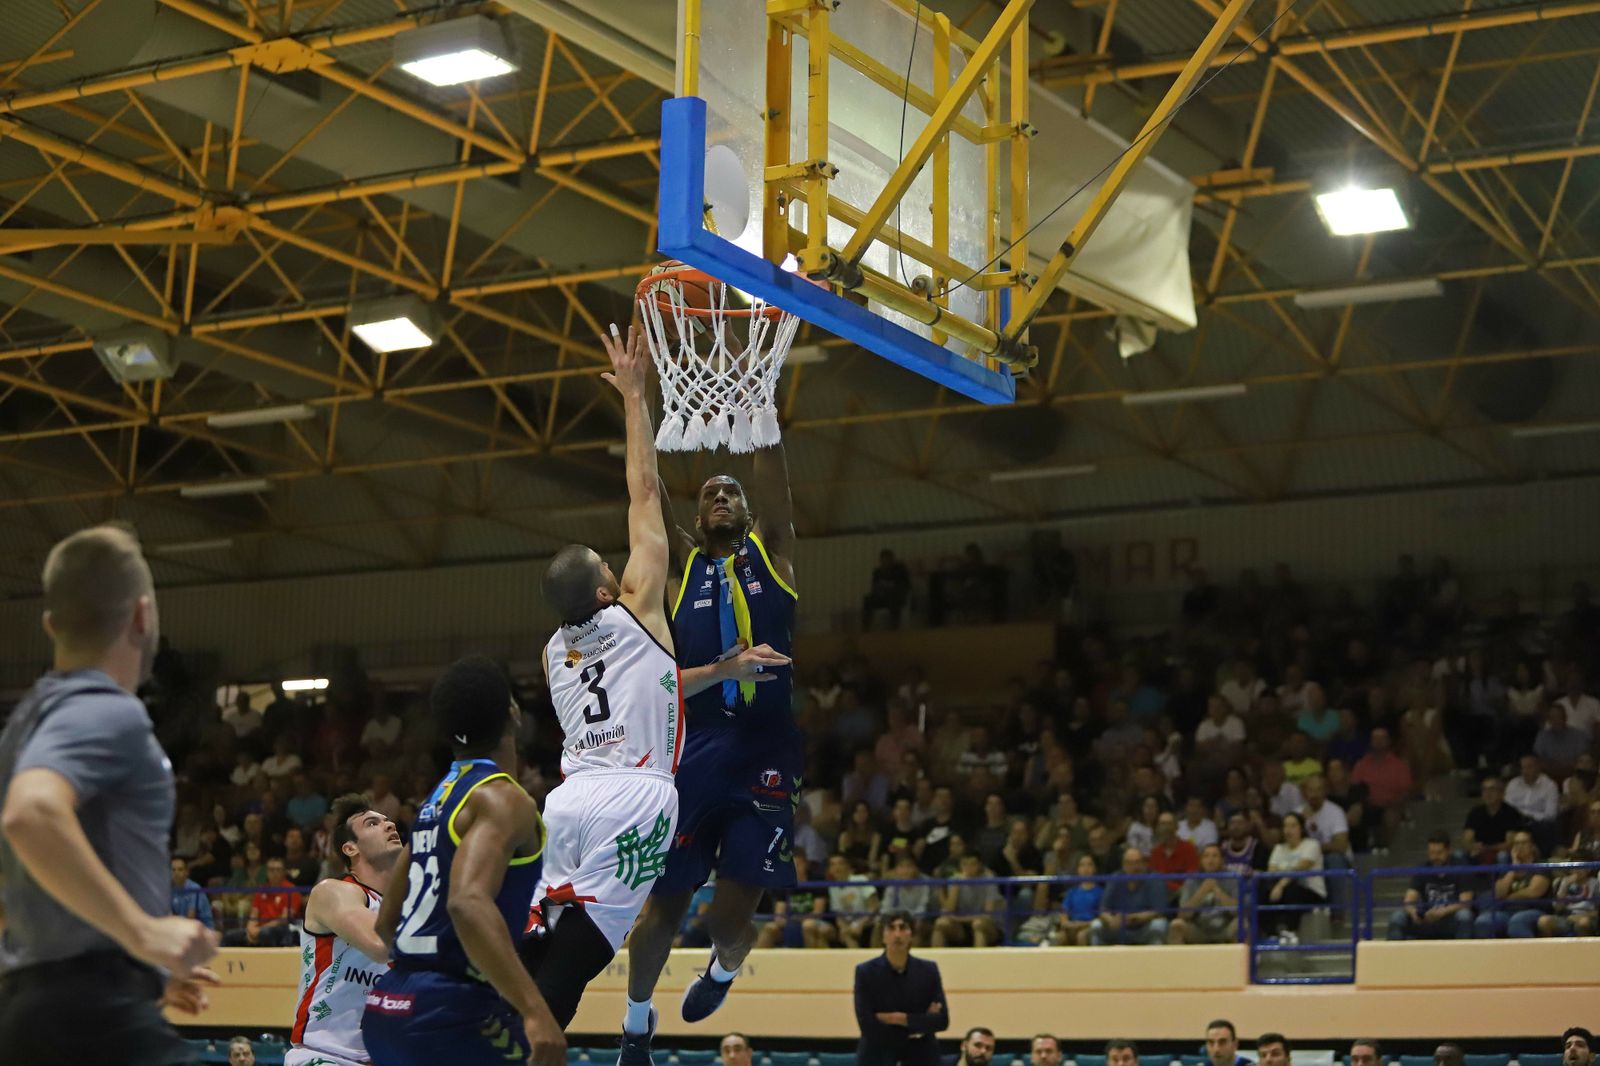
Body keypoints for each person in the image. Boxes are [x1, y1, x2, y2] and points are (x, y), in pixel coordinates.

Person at [522, 325, 706, 1030]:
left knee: (536, 951)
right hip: (636, 796)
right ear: (606, 591)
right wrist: (635, 396)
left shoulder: (550, 654)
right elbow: (643, 493)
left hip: (567, 804)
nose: (616, 565)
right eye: (608, 564)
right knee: (569, 976)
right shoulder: (638, 610)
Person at [622, 397, 801, 1058]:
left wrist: (762, 402)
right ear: (697, 516)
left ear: (748, 512)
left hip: (766, 751)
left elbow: (776, 481)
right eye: (710, 492)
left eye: (732, 490)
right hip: (695, 751)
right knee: (663, 908)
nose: (722, 495)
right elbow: (646, 490)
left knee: (727, 919)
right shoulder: (682, 570)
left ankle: (723, 969)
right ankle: (636, 1022)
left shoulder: (773, 555)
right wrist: (634, 401)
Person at [0, 524, 219, 1062]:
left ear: (51, 625)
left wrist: (136, 963)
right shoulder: (107, 709)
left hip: (32, 1011)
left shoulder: (20, 729)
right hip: (93, 1012)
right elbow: (30, 816)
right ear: (143, 616)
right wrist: (142, 935)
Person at [361, 657, 563, 1066]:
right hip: (450, 1012)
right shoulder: (504, 798)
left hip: (386, 1008)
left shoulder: (436, 801)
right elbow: (467, 902)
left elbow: (385, 923)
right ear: (513, 714)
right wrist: (536, 1011)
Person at [288, 796, 404, 1066]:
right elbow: (379, 943)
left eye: (389, 821)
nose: (389, 825)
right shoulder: (333, 892)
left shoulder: (407, 906)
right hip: (325, 1057)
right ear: (350, 848)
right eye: (373, 823)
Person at [852, 911, 949, 1066]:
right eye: (891, 928)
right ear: (883, 935)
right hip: (878, 1054)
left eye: (903, 928)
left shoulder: (929, 969)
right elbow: (867, 1023)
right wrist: (918, 1024)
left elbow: (942, 1020)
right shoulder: (865, 972)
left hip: (922, 1054)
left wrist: (896, 1018)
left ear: (911, 934)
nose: (897, 934)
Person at [1385, 832, 1473, 940]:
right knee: (1397, 917)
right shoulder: (1423, 868)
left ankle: (1463, 955)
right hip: (1427, 918)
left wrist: (1443, 912)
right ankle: (1395, 955)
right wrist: (1413, 912)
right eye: (1431, 853)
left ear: (1448, 850)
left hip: (1449, 918)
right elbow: (1408, 900)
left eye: (1439, 853)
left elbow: (1466, 903)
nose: (1435, 857)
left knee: (1464, 916)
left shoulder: (1461, 868)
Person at [1472, 830, 1551, 938]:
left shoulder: (1540, 866)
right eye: (1516, 843)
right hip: (1507, 912)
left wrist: (1510, 897)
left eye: (1523, 843)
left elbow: (1534, 891)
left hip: (1533, 910)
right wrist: (1513, 868)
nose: (1519, 846)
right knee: (1483, 921)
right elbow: (1499, 893)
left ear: (1532, 846)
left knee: (1517, 922)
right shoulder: (1508, 869)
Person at [1261, 812, 1324, 943]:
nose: (1288, 830)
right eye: (1285, 826)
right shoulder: (1279, 848)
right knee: (1262, 889)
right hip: (1282, 889)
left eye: (1293, 826)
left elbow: (1299, 869)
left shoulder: (1312, 845)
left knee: (1292, 889)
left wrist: (1280, 883)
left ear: (1301, 828)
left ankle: (1290, 931)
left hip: (1312, 892)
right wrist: (1282, 878)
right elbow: (1271, 871)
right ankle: (1270, 933)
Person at [1089, 847, 1169, 945]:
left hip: (1143, 927)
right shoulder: (1116, 878)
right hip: (1118, 927)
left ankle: (1156, 960)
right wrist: (1111, 920)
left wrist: (1131, 918)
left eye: (1137, 862)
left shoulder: (1154, 879)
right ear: (1124, 865)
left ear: (1144, 864)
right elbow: (1103, 909)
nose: (1134, 867)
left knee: (1159, 925)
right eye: (1130, 863)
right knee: (1096, 925)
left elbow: (1159, 911)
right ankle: (1099, 960)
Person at [1168, 845, 1238, 944]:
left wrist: (1218, 891)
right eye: (1206, 856)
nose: (1210, 860)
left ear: (1222, 860)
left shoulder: (1232, 878)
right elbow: (1183, 914)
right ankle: (1176, 960)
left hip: (1225, 927)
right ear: (1201, 860)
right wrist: (1202, 892)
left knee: (1242, 925)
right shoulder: (1192, 880)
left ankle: (1248, 959)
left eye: (1215, 856)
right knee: (1176, 925)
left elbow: (1238, 911)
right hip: (1199, 929)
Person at [1462, 777, 1526, 863]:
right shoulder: (1475, 813)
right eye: (1485, 790)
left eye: (1492, 789)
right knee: (1459, 855)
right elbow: (1466, 839)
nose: (1488, 793)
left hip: (1503, 853)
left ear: (1501, 793)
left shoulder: (1511, 813)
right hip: (1480, 852)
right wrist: (1472, 846)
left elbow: (1510, 844)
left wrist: (1487, 848)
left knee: (1502, 856)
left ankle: (1503, 876)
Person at [1535, 857, 1596, 936]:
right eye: (1574, 867)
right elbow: (1558, 908)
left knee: (1583, 923)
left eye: (1581, 867)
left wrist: (1582, 916)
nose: (1577, 871)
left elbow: (1597, 911)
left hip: (1586, 916)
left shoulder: (1595, 883)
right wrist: (1565, 886)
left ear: (1588, 869)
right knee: (1544, 921)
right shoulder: (1563, 882)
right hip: (1566, 917)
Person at [863, 549, 912, 630]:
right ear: (881, 561)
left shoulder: (900, 570)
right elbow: (874, 587)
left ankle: (894, 627)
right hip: (882, 597)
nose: (886, 562)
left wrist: (889, 587)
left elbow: (905, 586)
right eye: (884, 560)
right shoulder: (877, 572)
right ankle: (866, 628)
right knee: (867, 600)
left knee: (893, 599)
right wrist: (880, 590)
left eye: (888, 560)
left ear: (892, 560)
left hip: (896, 597)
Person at [171, 856, 216, 931]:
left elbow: (190, 918)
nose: (176, 873)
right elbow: (169, 915)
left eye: (180, 869)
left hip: (203, 930)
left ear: (186, 872)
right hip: (184, 929)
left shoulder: (194, 888)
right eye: (173, 870)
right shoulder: (171, 890)